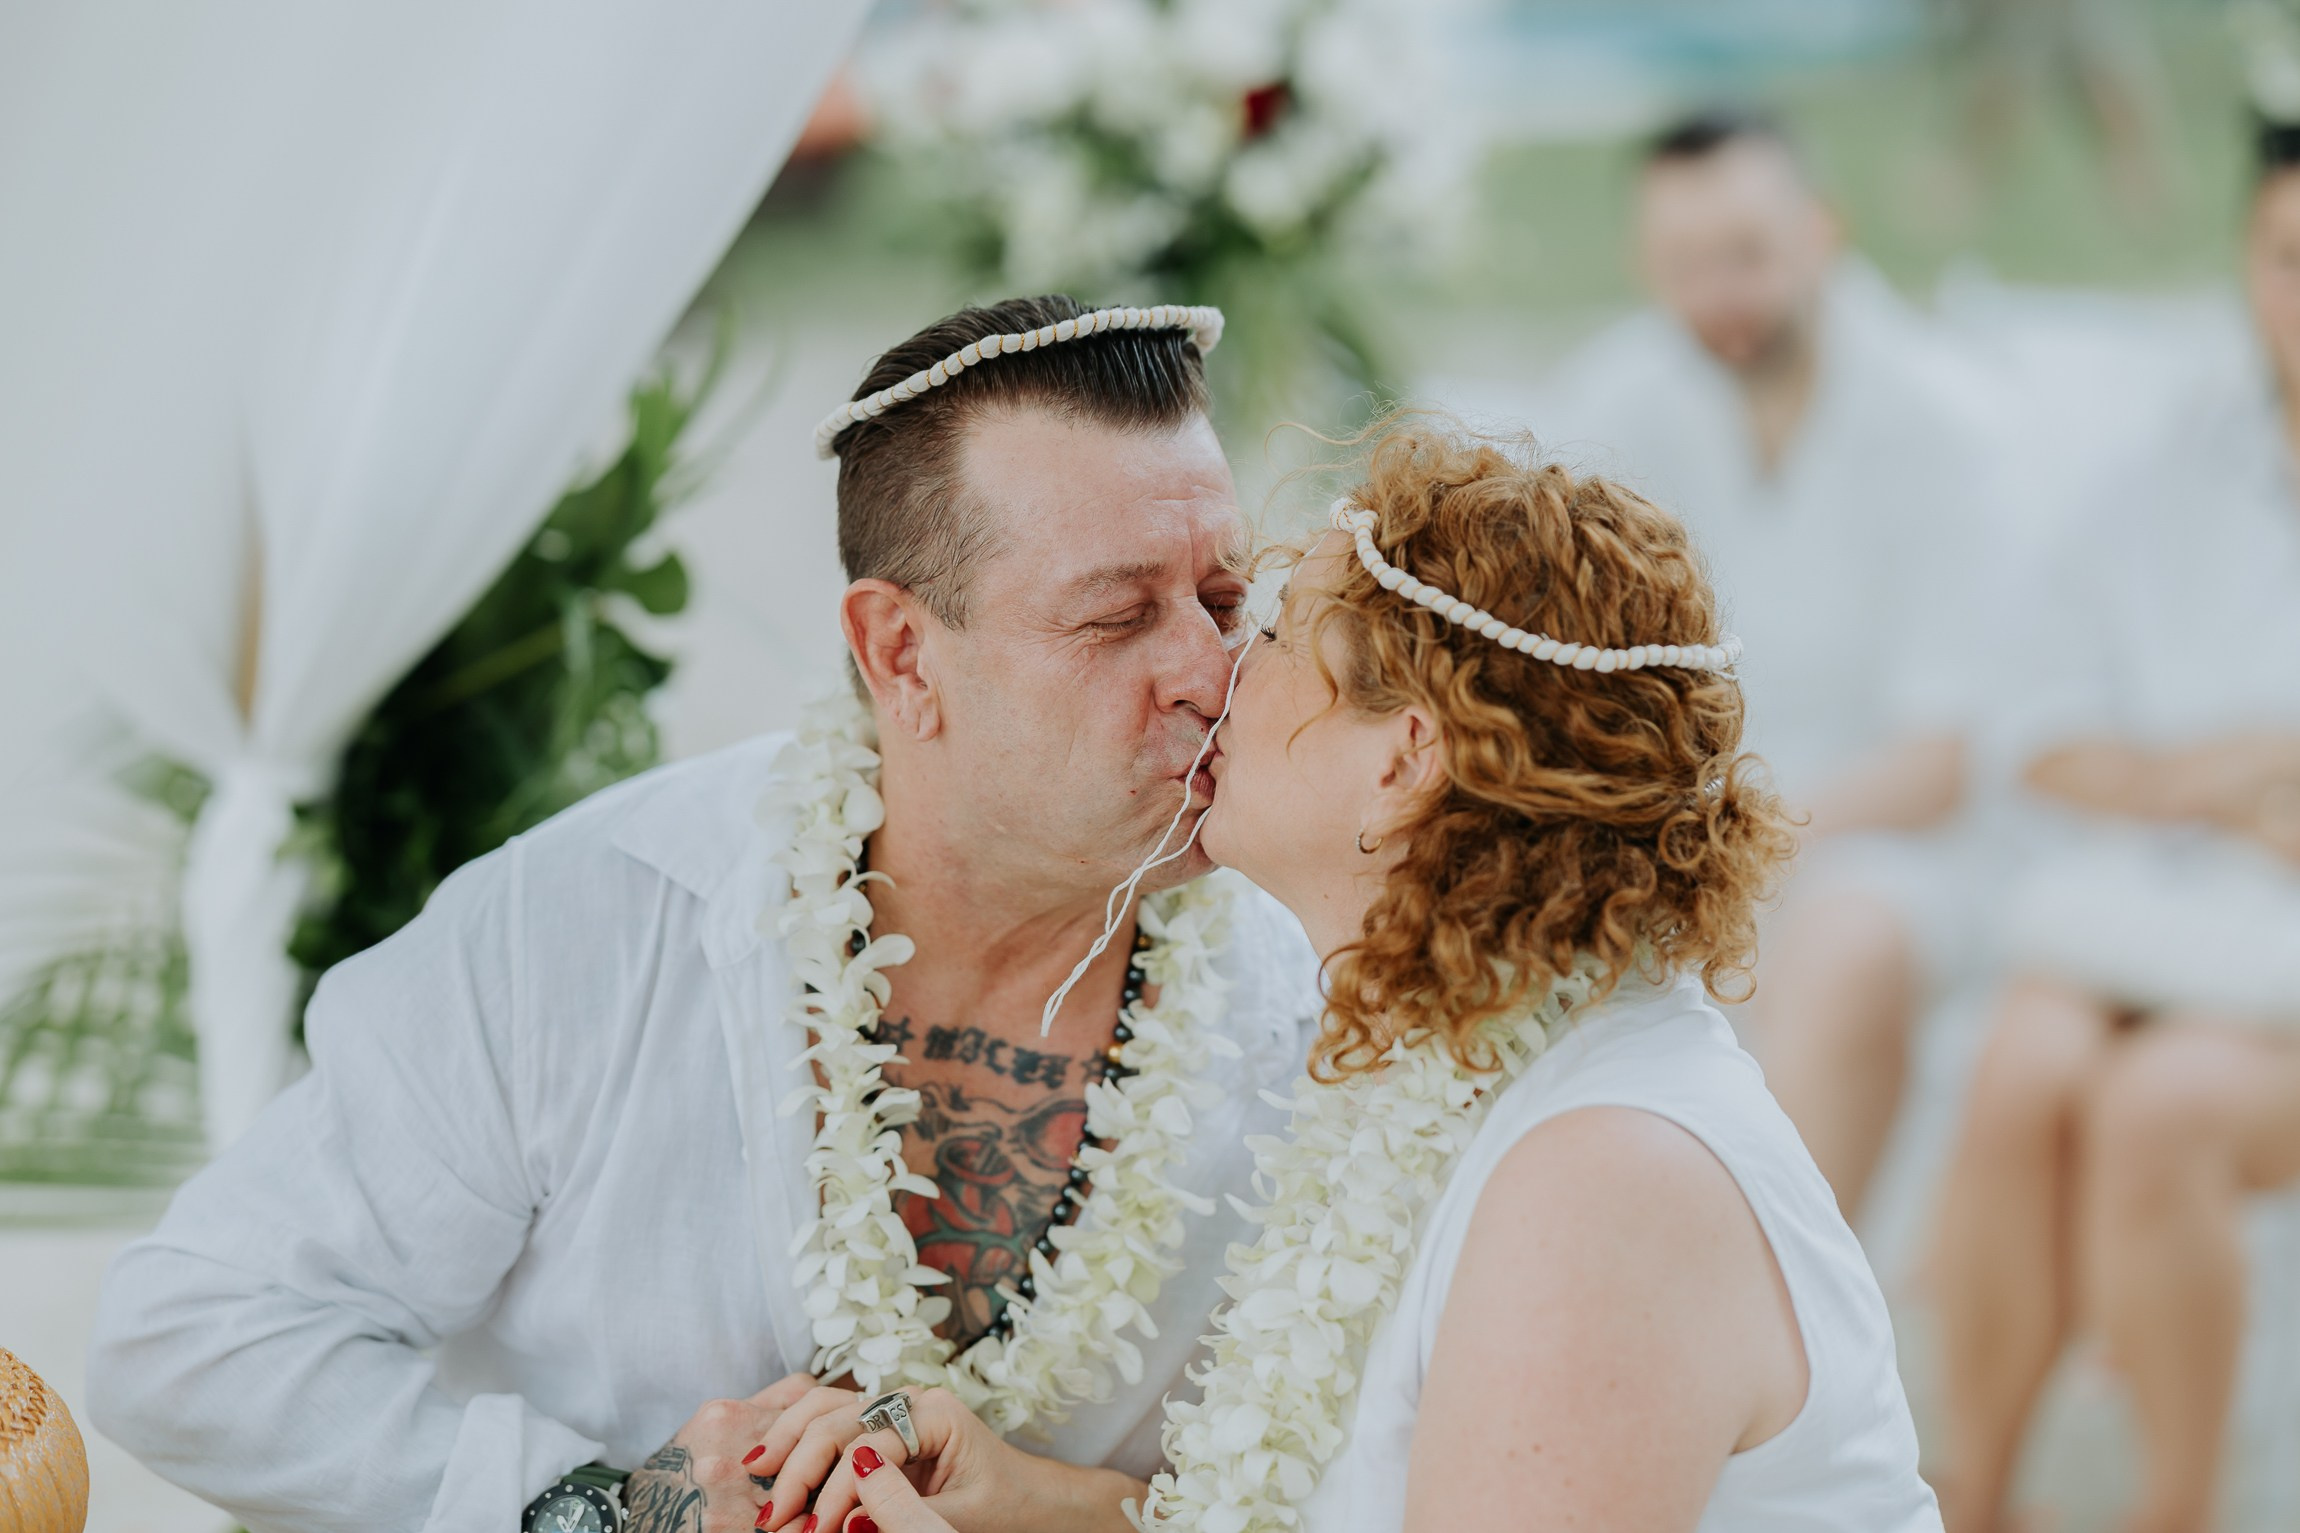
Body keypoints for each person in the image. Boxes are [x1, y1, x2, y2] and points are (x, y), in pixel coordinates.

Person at [84, 295, 1324, 1533]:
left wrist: (1050, 1508)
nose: (1207, 675)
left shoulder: (1324, 1011)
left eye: (1224, 600)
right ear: (899, 653)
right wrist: (600, 1511)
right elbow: (189, 1336)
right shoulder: (579, 928)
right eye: (1114, 617)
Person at [747, 420, 1944, 1533]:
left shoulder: (1604, 1181)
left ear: (1404, 761)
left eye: (1268, 633)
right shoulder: (1442, 1073)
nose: (1217, 673)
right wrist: (1025, 1497)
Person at [1926, 123, 2300, 1533]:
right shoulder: (2166, 469)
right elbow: (2038, 735)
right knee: (2021, 1073)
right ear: (2246, 262)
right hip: (2151, 907)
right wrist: (2234, 777)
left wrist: (2203, 782)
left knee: (2159, 1108)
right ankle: (1978, 1497)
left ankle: (2175, 1511)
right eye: (2288, 258)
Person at [1540, 109, 2011, 1217]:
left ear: (1819, 231)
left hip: (1896, 840)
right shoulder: (1612, 402)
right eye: (1683, 265)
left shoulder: (1942, 419)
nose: (1720, 296)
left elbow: (1941, 761)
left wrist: (1735, 848)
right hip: (1683, 823)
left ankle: (1786, 1273)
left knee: (1842, 944)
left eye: (1746, 255)